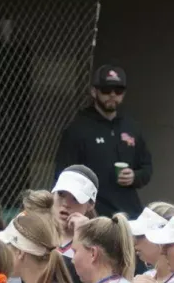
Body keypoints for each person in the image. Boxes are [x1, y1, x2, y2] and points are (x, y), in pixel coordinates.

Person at [54, 65, 152, 219]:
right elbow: (63, 175)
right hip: (94, 214)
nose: (112, 95)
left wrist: (135, 176)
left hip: (130, 213)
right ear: (94, 91)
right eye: (106, 90)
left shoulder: (131, 126)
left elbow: (147, 167)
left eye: (118, 90)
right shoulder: (78, 129)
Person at [52, 165, 98, 257]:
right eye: (61, 194)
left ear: (90, 205)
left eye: (75, 199)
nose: (65, 204)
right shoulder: (31, 230)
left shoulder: (96, 246)